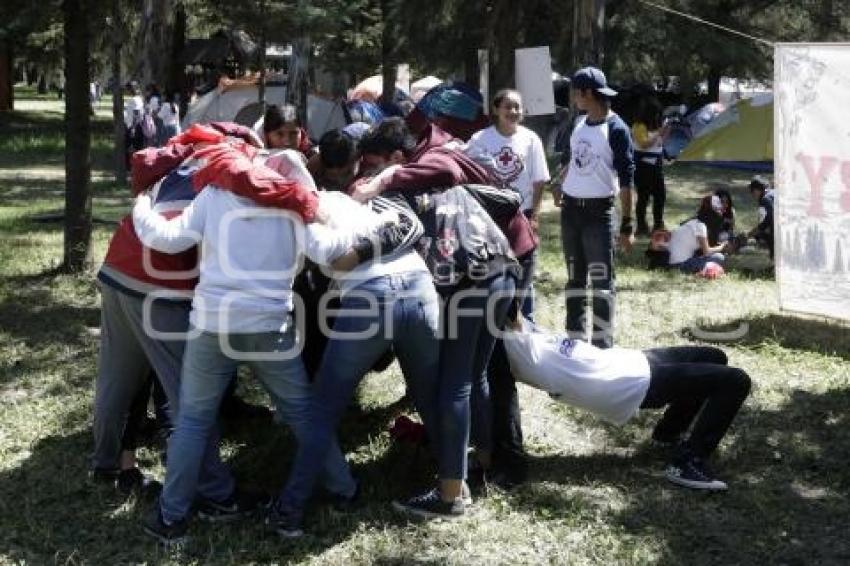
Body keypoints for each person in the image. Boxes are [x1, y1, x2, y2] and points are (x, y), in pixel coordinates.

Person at [352, 118, 527, 517]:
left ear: (392, 160)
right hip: (502, 272)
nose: (369, 175)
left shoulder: (397, 189)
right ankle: (482, 461)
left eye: (373, 166)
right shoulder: (437, 166)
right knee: (477, 376)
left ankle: (450, 494)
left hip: (470, 283)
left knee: (455, 385)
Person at [270, 177, 443, 537]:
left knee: (322, 410)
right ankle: (453, 484)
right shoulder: (352, 201)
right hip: (419, 285)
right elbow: (401, 227)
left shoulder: (303, 212)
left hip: (370, 296)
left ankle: (290, 509)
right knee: (431, 396)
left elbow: (322, 254)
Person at [503, 317, 751, 491]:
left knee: (714, 357)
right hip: (625, 384)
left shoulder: (511, 329)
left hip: (624, 361)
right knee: (736, 381)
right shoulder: (507, 345)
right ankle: (687, 463)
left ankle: (667, 434)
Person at [556, 66, 635, 349]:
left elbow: (627, 180)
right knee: (574, 279)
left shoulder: (616, 128)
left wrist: (627, 224)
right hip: (571, 213)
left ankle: (602, 348)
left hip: (597, 215)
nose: (574, 98)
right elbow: (572, 159)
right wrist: (560, 183)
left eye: (576, 93)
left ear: (587, 93)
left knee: (601, 284)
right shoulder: (578, 122)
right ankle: (574, 342)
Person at [466, 88, 550, 318]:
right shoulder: (479, 140)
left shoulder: (531, 139)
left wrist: (535, 216)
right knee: (494, 274)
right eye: (508, 106)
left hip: (521, 215)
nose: (513, 111)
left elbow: (539, 180)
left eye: (517, 107)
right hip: (489, 218)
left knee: (524, 276)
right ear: (496, 109)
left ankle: (524, 321)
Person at [631, 98, 668, 235]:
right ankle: (641, 226)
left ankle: (658, 224)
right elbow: (643, 144)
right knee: (643, 197)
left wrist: (665, 133)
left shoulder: (655, 127)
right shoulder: (638, 126)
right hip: (643, 167)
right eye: (657, 113)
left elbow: (659, 144)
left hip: (656, 165)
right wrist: (659, 133)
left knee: (660, 196)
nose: (659, 116)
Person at [667, 195, 728, 273]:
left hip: (673, 263)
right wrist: (722, 247)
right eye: (718, 210)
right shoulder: (700, 226)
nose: (720, 215)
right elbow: (707, 252)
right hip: (681, 265)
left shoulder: (693, 222)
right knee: (719, 257)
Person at [747, 176, 775, 259]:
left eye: (752, 191)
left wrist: (755, 231)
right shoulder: (773, 192)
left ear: (756, 190)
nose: (752, 194)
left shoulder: (765, 199)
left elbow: (770, 218)